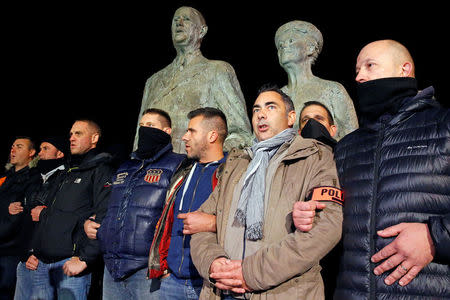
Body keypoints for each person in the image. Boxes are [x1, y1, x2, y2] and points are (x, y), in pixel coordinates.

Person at [294, 40, 450, 299]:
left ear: (404, 69)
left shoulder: (444, 125)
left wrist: (434, 238)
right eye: (357, 70)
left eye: (370, 66)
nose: (359, 77)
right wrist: (309, 215)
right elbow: (334, 220)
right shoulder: (347, 147)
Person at [189, 85, 343, 300]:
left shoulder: (315, 157)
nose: (261, 114)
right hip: (221, 291)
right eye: (256, 109)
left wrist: (250, 273)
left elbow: (326, 228)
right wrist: (214, 264)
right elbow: (200, 226)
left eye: (271, 107)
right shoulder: (237, 163)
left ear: (291, 117)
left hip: (282, 293)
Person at [82, 109, 186, 300]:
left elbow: (178, 215)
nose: (144, 130)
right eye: (141, 126)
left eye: (151, 126)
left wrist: (168, 262)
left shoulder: (178, 164)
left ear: (167, 131)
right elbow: (109, 206)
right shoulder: (125, 167)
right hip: (113, 267)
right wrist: (94, 222)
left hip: (148, 269)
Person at [134, 6, 252, 153]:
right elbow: (139, 140)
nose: (179, 23)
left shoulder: (217, 70)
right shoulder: (153, 81)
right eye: (176, 20)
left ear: (202, 31)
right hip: (154, 172)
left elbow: (241, 134)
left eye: (186, 19)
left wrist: (211, 157)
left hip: (195, 167)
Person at [29, 120, 115, 300]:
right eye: (71, 134)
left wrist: (84, 258)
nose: (72, 138)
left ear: (94, 138)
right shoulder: (66, 172)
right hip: (41, 263)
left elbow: (104, 216)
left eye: (78, 133)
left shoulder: (102, 169)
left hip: (70, 264)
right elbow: (48, 213)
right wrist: (34, 250)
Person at [148, 107, 228, 300]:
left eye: (191, 131)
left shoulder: (232, 174)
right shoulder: (182, 171)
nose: (184, 137)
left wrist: (214, 223)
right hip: (172, 282)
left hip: (208, 286)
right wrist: (165, 266)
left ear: (212, 136)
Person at [275, 20, 358, 141]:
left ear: (310, 48)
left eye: (291, 41)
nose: (284, 46)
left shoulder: (333, 90)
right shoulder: (274, 98)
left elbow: (352, 137)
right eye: (280, 45)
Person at [10, 136, 68, 300]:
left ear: (59, 154)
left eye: (46, 149)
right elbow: (27, 212)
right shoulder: (35, 177)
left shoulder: (64, 179)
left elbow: (58, 219)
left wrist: (36, 252)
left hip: (41, 259)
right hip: (24, 256)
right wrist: (17, 206)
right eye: (40, 148)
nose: (40, 153)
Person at [0, 137, 40, 300]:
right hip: (3, 244)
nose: (13, 150)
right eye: (12, 146)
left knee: (6, 291)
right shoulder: (5, 178)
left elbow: (19, 216)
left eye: (19, 146)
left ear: (31, 153)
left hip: (12, 249)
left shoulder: (33, 178)